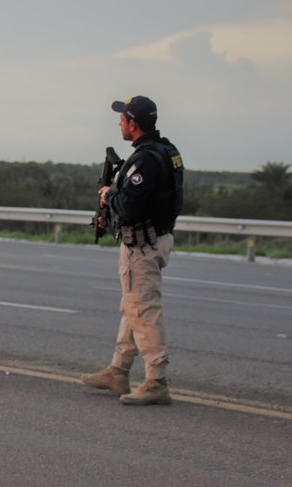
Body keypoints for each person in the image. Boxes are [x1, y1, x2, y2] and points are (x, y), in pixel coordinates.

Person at [81, 95, 184, 406]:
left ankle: (156, 382)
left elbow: (128, 208)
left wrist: (108, 195)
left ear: (133, 124)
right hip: (157, 238)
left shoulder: (145, 160)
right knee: (133, 307)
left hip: (142, 244)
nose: (119, 123)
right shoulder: (168, 151)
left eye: (122, 119)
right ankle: (118, 371)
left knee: (143, 310)